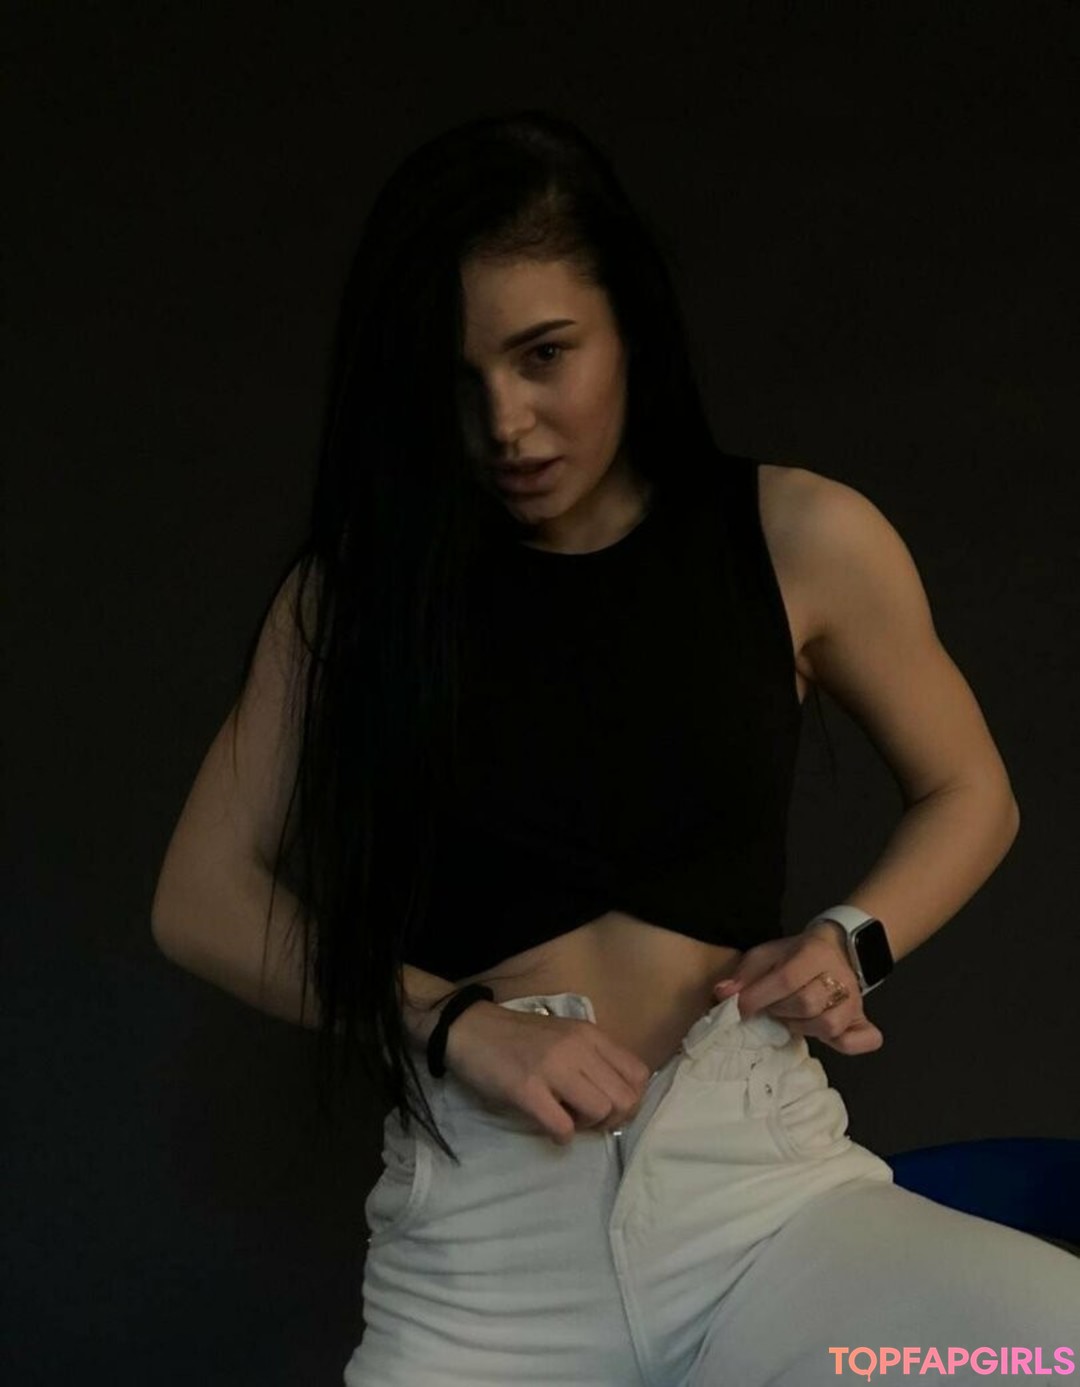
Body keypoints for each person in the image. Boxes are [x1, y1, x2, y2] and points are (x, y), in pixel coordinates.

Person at [151, 110, 1080, 1386]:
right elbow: (199, 896)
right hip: (485, 1262)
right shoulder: (354, 599)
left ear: (628, 322)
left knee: (1044, 1349)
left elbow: (972, 790)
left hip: (766, 1215)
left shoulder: (801, 537)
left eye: (544, 354)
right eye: (459, 379)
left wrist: (849, 941)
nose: (507, 423)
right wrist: (449, 1022)